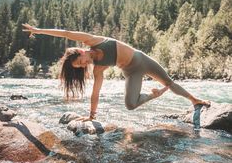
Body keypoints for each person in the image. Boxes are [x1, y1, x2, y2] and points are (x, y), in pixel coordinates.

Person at [22, 23, 210, 121]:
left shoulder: (93, 40)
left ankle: (195, 100)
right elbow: (95, 94)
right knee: (130, 105)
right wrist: (91, 116)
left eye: (80, 62)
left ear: (80, 52)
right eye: (80, 67)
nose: (83, 65)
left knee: (169, 82)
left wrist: (39, 31)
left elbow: (66, 33)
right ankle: (155, 95)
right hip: (131, 73)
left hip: (142, 60)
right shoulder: (98, 69)